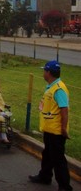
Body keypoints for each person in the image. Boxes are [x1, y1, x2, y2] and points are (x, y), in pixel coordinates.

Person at [29, 61, 72, 191]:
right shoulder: (51, 87)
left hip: (56, 131)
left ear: (48, 72)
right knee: (47, 154)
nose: (43, 73)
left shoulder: (58, 89)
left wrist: (63, 128)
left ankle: (64, 186)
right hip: (49, 129)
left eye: (44, 71)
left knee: (58, 159)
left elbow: (64, 109)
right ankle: (45, 176)